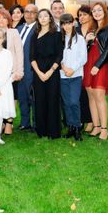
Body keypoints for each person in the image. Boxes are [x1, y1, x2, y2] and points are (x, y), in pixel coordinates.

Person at [83, 2, 108, 140]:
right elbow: (87, 49)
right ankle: (96, 126)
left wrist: (98, 65)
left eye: (99, 10)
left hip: (100, 64)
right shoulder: (93, 28)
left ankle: (104, 129)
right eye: (94, 11)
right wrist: (87, 40)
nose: (96, 13)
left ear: (105, 11)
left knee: (99, 95)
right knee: (91, 95)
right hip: (88, 63)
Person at [30, 8, 63, 139]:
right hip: (38, 73)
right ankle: (41, 130)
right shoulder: (34, 35)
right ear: (38, 20)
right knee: (40, 101)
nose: (43, 18)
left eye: (45, 16)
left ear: (50, 18)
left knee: (53, 100)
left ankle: (53, 131)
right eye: (40, 16)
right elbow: (31, 57)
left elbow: (59, 55)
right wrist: (39, 73)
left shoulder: (56, 34)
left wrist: (50, 71)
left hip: (52, 72)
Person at [0, 9, 24, 135]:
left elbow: (19, 52)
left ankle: (9, 122)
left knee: (12, 97)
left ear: (8, 20)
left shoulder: (13, 32)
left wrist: (19, 71)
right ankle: (1, 122)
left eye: (4, 17)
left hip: (12, 72)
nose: (1, 20)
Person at [59, 13, 87, 140]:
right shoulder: (59, 39)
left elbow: (83, 58)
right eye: (64, 23)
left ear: (73, 23)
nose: (67, 26)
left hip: (75, 75)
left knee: (74, 102)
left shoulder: (79, 39)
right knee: (66, 103)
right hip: (63, 75)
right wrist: (64, 68)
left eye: (69, 23)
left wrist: (72, 69)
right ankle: (70, 127)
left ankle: (77, 127)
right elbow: (58, 56)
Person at [17, 3, 38, 131]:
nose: (29, 14)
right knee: (22, 97)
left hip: (32, 68)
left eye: (32, 12)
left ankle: (36, 123)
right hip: (19, 69)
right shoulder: (18, 29)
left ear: (36, 14)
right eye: (27, 11)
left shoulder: (38, 29)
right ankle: (25, 122)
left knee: (33, 97)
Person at [77, 5, 95, 133]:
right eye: (79, 15)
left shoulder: (94, 29)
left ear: (90, 15)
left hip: (91, 64)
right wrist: (84, 40)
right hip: (78, 64)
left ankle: (91, 121)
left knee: (91, 93)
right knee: (80, 94)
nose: (81, 17)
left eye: (84, 14)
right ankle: (83, 119)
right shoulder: (75, 30)